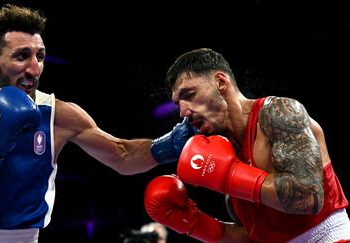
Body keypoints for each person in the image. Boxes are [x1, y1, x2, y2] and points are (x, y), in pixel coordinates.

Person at [0, 4, 197, 242]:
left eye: (40, 56)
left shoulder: (59, 115)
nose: (35, 69)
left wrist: (173, 143)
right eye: (22, 56)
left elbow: (122, 156)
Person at [143, 48, 350, 242]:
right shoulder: (225, 151)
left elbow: (308, 199)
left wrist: (231, 175)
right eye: (178, 104)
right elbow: (254, 238)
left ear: (220, 82)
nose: (183, 112)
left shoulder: (279, 113)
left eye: (189, 95)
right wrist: (194, 223)